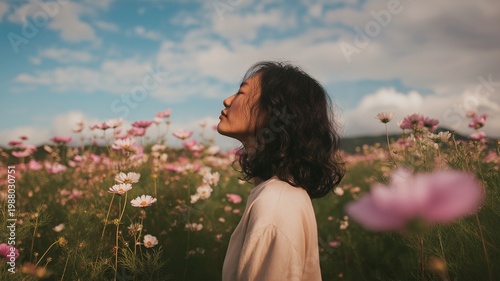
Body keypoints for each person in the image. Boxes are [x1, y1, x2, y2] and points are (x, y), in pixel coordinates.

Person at [218, 61, 345, 281]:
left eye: (241, 92)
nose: (227, 100)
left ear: (274, 111)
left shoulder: (274, 203)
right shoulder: (281, 193)